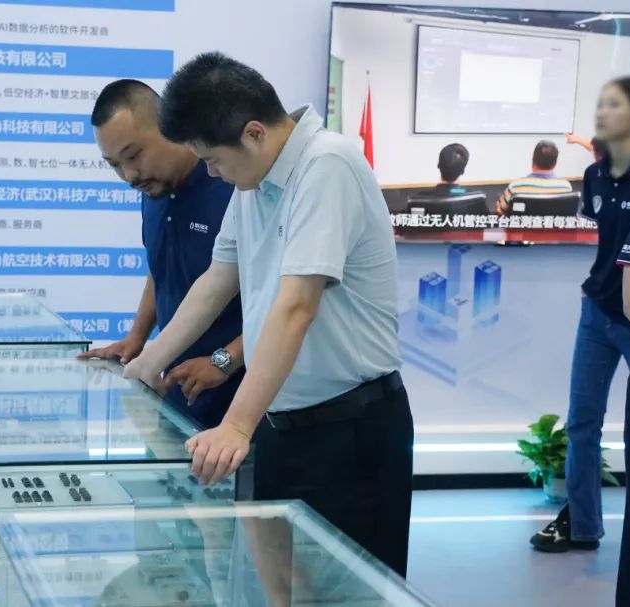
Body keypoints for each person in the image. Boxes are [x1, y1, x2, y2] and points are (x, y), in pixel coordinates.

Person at [123, 52, 412, 575]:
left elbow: (297, 305)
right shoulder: (253, 184)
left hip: (350, 430)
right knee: (279, 587)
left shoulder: (327, 165)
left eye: (214, 159)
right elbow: (217, 281)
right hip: (280, 423)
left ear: (254, 133)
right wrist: (147, 364)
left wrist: (235, 425)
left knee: (347, 592)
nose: (210, 173)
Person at [81, 79, 245, 429]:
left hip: (241, 401)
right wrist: (137, 339)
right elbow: (162, 268)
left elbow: (282, 303)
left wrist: (223, 361)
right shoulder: (153, 190)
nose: (129, 175)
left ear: (169, 128)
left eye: (133, 155)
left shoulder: (232, 185)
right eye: (114, 164)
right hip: (176, 396)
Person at [530, 77, 630, 557]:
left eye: (613, 105)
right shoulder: (594, 176)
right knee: (582, 423)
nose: (601, 113)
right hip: (597, 312)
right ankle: (583, 526)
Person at [495, 140, 574, 215]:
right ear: (555, 163)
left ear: (533, 161)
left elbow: (500, 211)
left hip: (524, 225)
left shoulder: (516, 186)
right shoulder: (566, 187)